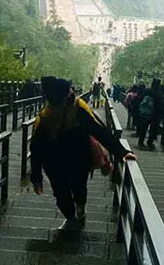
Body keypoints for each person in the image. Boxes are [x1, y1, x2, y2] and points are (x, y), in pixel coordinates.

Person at [31, 76, 136, 231]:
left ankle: (80, 212)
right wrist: (36, 178)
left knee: (79, 187)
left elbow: (99, 131)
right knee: (61, 194)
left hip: (78, 158)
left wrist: (122, 152)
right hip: (55, 163)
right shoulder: (44, 117)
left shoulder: (77, 108)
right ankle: (71, 218)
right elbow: (36, 149)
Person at [136, 79, 164, 150]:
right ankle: (150, 142)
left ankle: (141, 142)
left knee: (143, 129)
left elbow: (140, 99)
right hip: (155, 114)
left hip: (145, 113)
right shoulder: (158, 93)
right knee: (153, 130)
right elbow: (161, 104)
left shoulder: (147, 91)